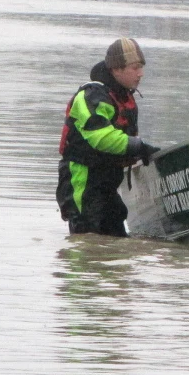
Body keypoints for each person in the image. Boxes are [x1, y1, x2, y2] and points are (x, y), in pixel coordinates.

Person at [57, 38, 160, 237]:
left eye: (141, 67)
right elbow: (101, 137)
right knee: (88, 239)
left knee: (114, 234)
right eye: (135, 68)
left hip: (107, 182)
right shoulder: (91, 96)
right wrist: (138, 147)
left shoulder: (121, 96)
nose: (141, 74)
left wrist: (141, 152)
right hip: (83, 180)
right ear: (116, 69)